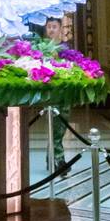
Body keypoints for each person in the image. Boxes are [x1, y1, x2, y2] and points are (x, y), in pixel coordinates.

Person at [44, 17, 70, 174]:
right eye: (49, 27)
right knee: (54, 126)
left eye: (54, 27)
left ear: (60, 29)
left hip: (64, 91)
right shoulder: (42, 49)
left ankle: (51, 157)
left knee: (61, 125)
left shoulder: (65, 49)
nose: (51, 30)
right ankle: (59, 160)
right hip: (50, 91)